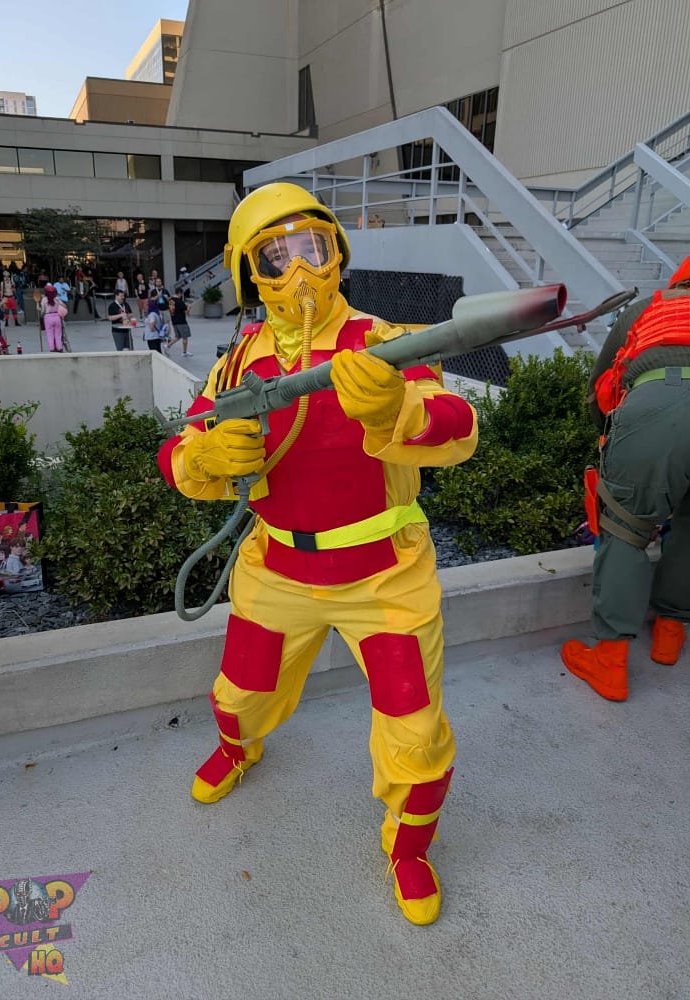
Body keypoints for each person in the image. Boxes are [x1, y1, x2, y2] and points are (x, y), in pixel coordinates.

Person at [157, 182, 478, 926]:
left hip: (386, 577)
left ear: (336, 251)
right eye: (276, 254)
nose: (299, 268)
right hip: (276, 572)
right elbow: (177, 451)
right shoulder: (236, 367)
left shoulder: (387, 340)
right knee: (240, 691)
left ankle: (408, 846)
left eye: (312, 246)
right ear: (249, 273)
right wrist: (206, 455)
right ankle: (240, 748)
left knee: (414, 728)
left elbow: (459, 428)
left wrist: (398, 407)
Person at [561, 256, 690, 701]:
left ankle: (611, 663)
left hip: (656, 407)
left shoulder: (648, 308)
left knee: (625, 526)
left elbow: (603, 382)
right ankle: (670, 635)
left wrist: (610, 437)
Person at [40, 282, 67, 352]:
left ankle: (52, 348)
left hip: (48, 317)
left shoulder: (44, 299)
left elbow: (43, 311)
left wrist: (40, 314)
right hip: (57, 317)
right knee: (58, 334)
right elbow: (64, 306)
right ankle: (59, 347)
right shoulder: (57, 299)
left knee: (50, 334)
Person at [165, 290, 193, 356]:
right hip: (182, 321)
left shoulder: (170, 301)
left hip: (174, 321)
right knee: (185, 337)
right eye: (181, 294)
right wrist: (189, 308)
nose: (181, 296)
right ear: (179, 293)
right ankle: (184, 352)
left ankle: (167, 346)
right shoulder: (180, 302)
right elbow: (186, 313)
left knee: (178, 336)